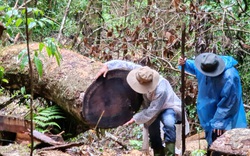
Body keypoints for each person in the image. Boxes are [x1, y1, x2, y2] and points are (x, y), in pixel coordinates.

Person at [96, 60, 189, 156]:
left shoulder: (161, 89)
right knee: (153, 130)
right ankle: (158, 153)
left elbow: (153, 110)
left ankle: (170, 153)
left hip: (168, 106)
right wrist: (108, 65)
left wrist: (135, 118)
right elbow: (126, 64)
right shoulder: (141, 73)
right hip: (150, 108)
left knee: (169, 122)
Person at [178, 52, 248, 155]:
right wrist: (185, 63)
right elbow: (194, 66)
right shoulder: (204, 67)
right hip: (208, 111)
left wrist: (219, 123)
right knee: (211, 139)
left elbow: (229, 103)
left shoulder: (230, 76)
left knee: (224, 141)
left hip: (225, 115)